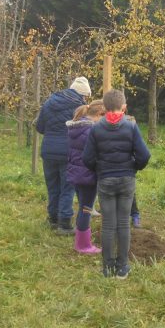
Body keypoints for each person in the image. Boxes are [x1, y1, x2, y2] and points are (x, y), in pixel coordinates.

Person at [82, 89, 151, 279]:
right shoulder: (130, 127)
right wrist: (133, 167)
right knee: (123, 224)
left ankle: (107, 268)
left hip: (105, 180)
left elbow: (87, 158)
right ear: (124, 107)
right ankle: (123, 267)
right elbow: (145, 155)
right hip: (126, 180)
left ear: (104, 107)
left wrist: (99, 169)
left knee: (108, 225)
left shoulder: (96, 128)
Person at [36, 76, 90, 235]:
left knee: (52, 186)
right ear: (83, 94)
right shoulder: (80, 107)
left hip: (48, 150)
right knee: (68, 187)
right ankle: (64, 224)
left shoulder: (49, 102)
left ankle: (52, 218)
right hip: (69, 152)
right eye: (86, 96)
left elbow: (40, 127)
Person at [66, 99, 106, 254]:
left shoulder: (76, 127)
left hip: (76, 173)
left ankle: (81, 239)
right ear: (99, 114)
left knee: (83, 206)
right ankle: (83, 244)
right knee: (86, 208)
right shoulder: (91, 131)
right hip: (87, 176)